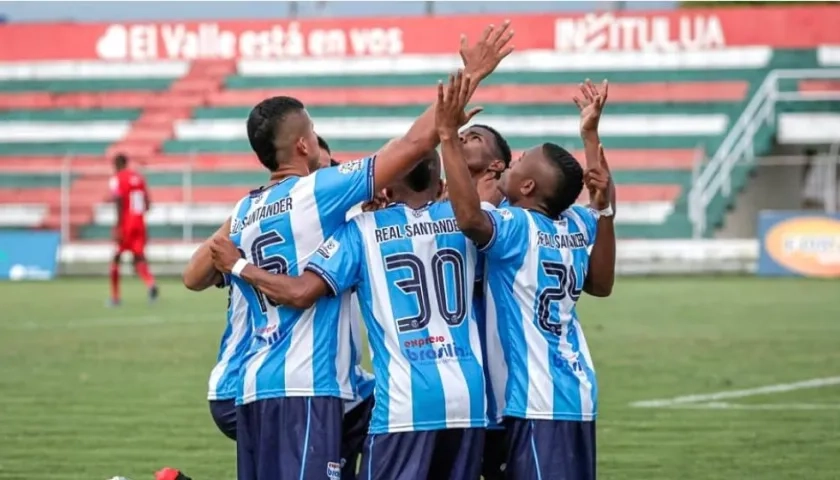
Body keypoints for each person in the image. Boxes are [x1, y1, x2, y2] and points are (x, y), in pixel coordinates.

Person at [202, 24, 514, 480]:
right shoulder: (325, 192)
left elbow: (195, 275)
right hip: (316, 385)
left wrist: (234, 263)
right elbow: (412, 145)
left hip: (252, 382)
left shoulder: (246, 208)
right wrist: (467, 80)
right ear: (305, 144)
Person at [438, 76, 615, 480]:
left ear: (528, 186)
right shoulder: (577, 223)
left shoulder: (516, 227)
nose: (513, 162)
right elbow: (602, 274)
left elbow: (469, 218)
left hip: (534, 398)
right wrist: (590, 138)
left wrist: (447, 135)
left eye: (518, 164)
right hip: (578, 389)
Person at [108, 153, 158, 306]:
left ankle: (115, 298)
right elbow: (148, 204)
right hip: (140, 222)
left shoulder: (117, 179)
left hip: (126, 224)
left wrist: (118, 226)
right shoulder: (139, 178)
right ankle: (150, 284)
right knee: (139, 258)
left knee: (116, 258)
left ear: (116, 164)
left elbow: (118, 200)